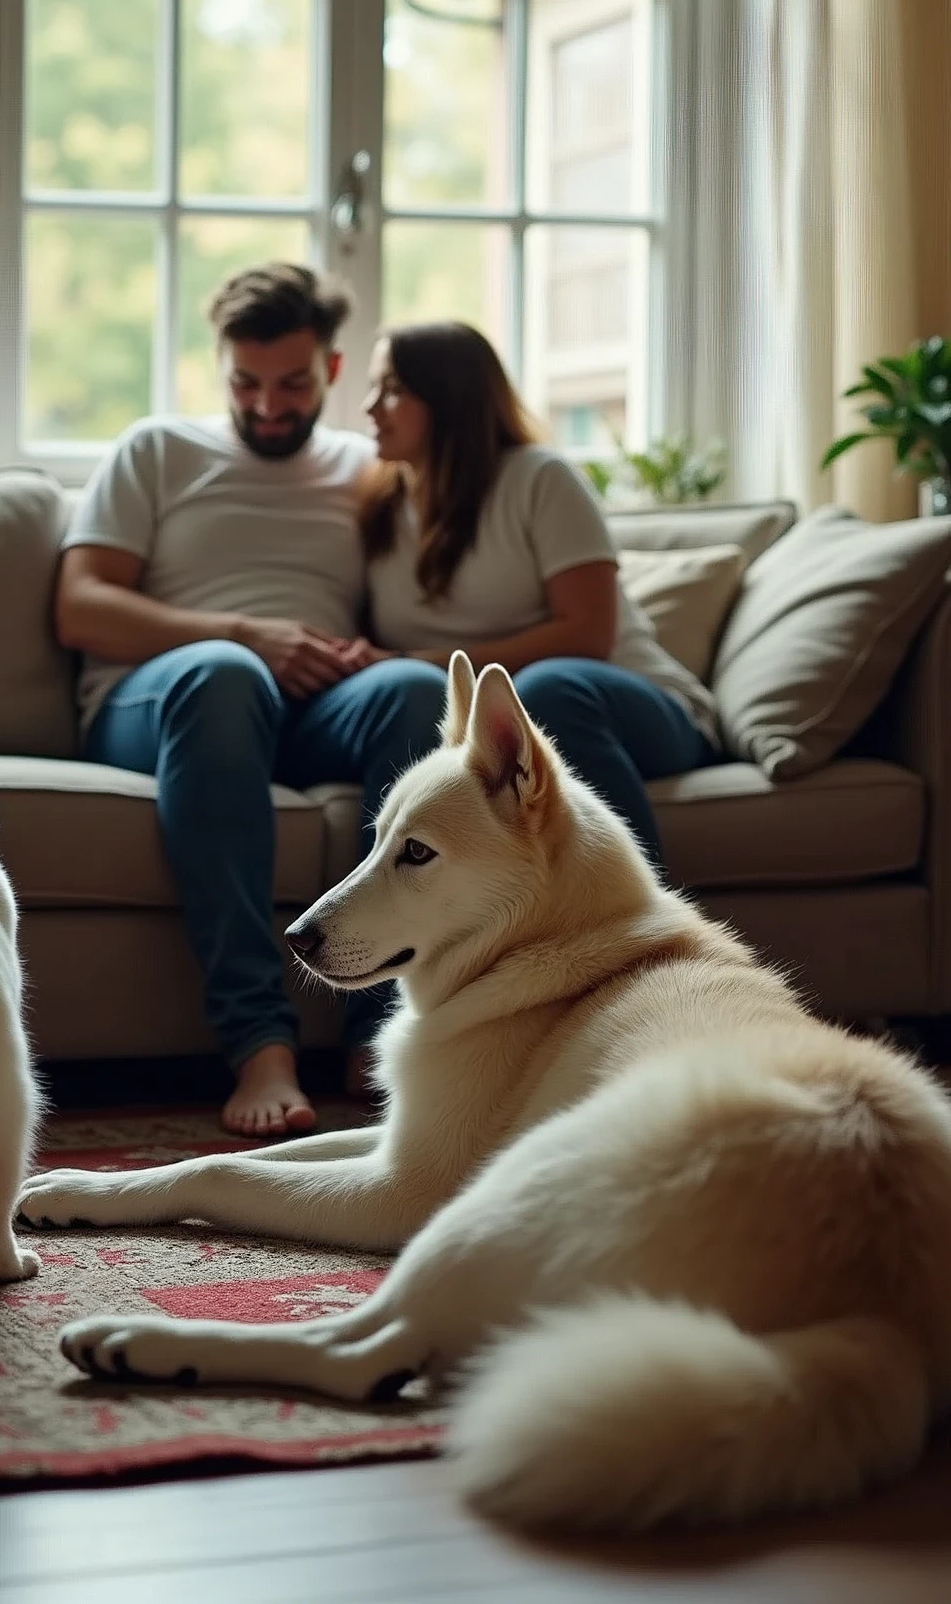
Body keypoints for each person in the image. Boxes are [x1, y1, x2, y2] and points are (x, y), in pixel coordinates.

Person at [55, 265, 445, 1138]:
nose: (268, 406)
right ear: (220, 367)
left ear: (333, 374)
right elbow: (82, 607)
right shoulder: (157, 450)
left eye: (293, 385)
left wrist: (354, 655)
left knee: (415, 688)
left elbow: (420, 597)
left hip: (309, 710)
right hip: (165, 703)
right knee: (224, 677)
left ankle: (377, 1034)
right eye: (246, 383)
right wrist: (239, 633)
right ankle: (258, 1044)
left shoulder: (365, 470)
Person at [359, 321, 719, 867]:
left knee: (548, 691)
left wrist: (421, 660)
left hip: (633, 707)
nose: (369, 407)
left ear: (448, 399)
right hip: (497, 739)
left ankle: (641, 936)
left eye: (391, 389)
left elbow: (587, 634)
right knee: (404, 698)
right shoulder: (379, 505)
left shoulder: (540, 479)